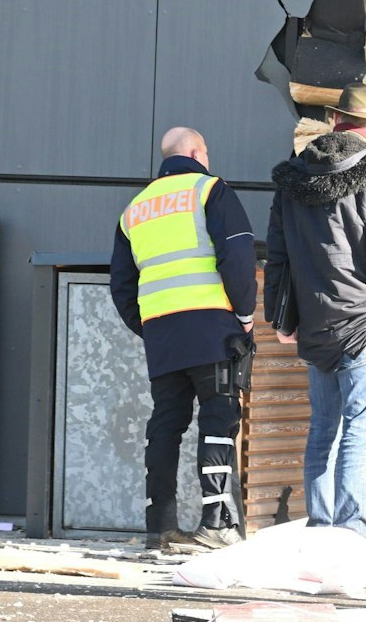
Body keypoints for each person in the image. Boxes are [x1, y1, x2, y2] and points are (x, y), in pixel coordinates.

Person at [266, 82, 366, 537]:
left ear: (334, 120)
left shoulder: (295, 173)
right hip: (364, 320)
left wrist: (279, 318)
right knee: (361, 431)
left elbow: (278, 252)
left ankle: (320, 526)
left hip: (313, 321)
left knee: (324, 427)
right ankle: (348, 529)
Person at [109, 126, 257, 551]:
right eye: (205, 152)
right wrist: (245, 315)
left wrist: (150, 326)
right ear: (195, 153)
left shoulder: (134, 209)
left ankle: (161, 526)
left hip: (163, 335)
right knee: (218, 419)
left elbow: (121, 284)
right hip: (213, 329)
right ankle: (217, 522)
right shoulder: (210, 190)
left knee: (166, 425)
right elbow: (238, 255)